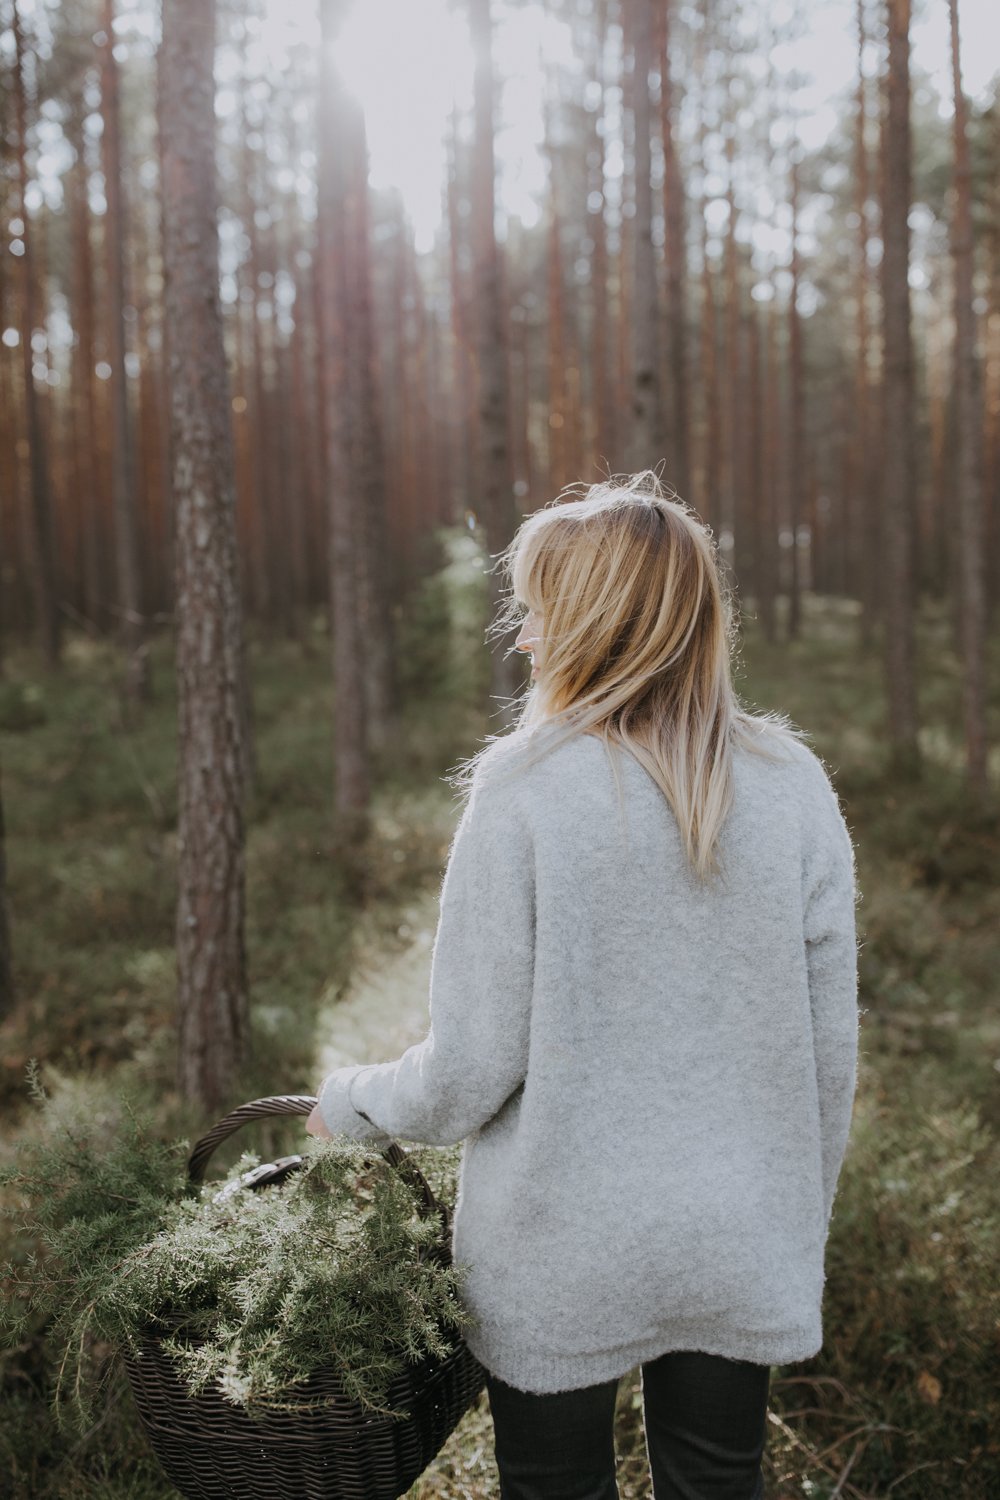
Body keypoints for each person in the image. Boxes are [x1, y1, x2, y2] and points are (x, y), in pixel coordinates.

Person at [306, 469, 861, 1500]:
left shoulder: (522, 792)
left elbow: (469, 1070)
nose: (522, 636)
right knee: (718, 1482)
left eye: (538, 610)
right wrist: (787, 1216)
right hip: (740, 1234)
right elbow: (832, 1059)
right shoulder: (790, 785)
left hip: (558, 1256)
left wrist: (351, 1102)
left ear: (593, 625)